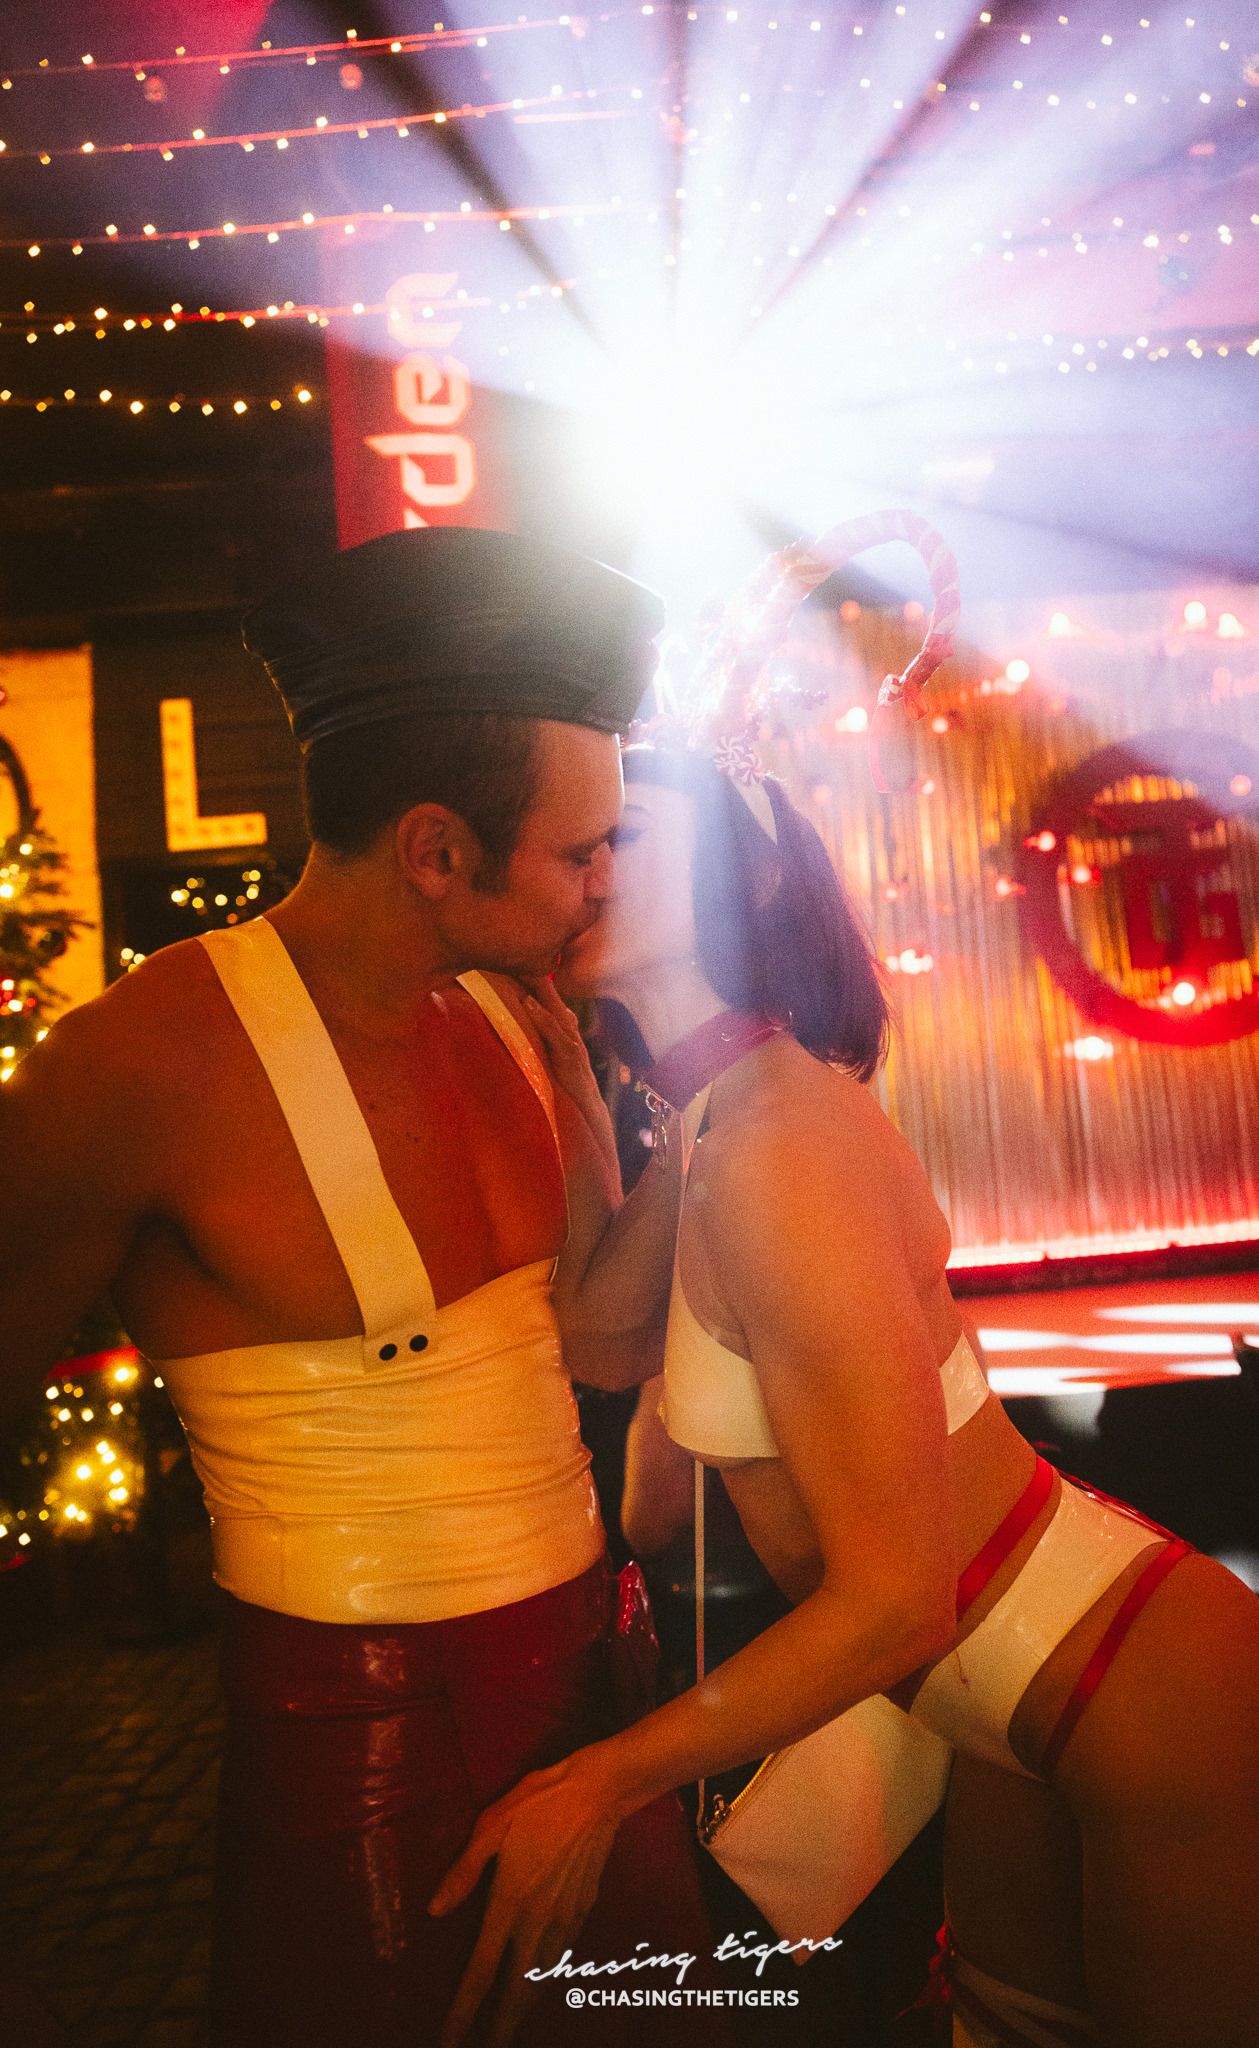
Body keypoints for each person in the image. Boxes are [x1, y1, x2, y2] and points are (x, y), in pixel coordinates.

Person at [432, 740, 1259, 2048]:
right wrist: (573, 1073)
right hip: (996, 1705)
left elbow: (895, 1600)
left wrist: (597, 1786)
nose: (581, 871)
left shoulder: (774, 1147)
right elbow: (595, 1333)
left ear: (746, 877)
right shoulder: (716, 1116)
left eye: (621, 839)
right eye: (574, 845)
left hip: (1131, 1683)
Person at [0, 530, 728, 2048]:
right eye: (581, 853)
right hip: (355, 1739)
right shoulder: (141, 1064)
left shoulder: (522, 1008)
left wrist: (724, 1089)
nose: (607, 884)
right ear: (436, 852)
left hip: (597, 1694)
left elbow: (597, 1341)